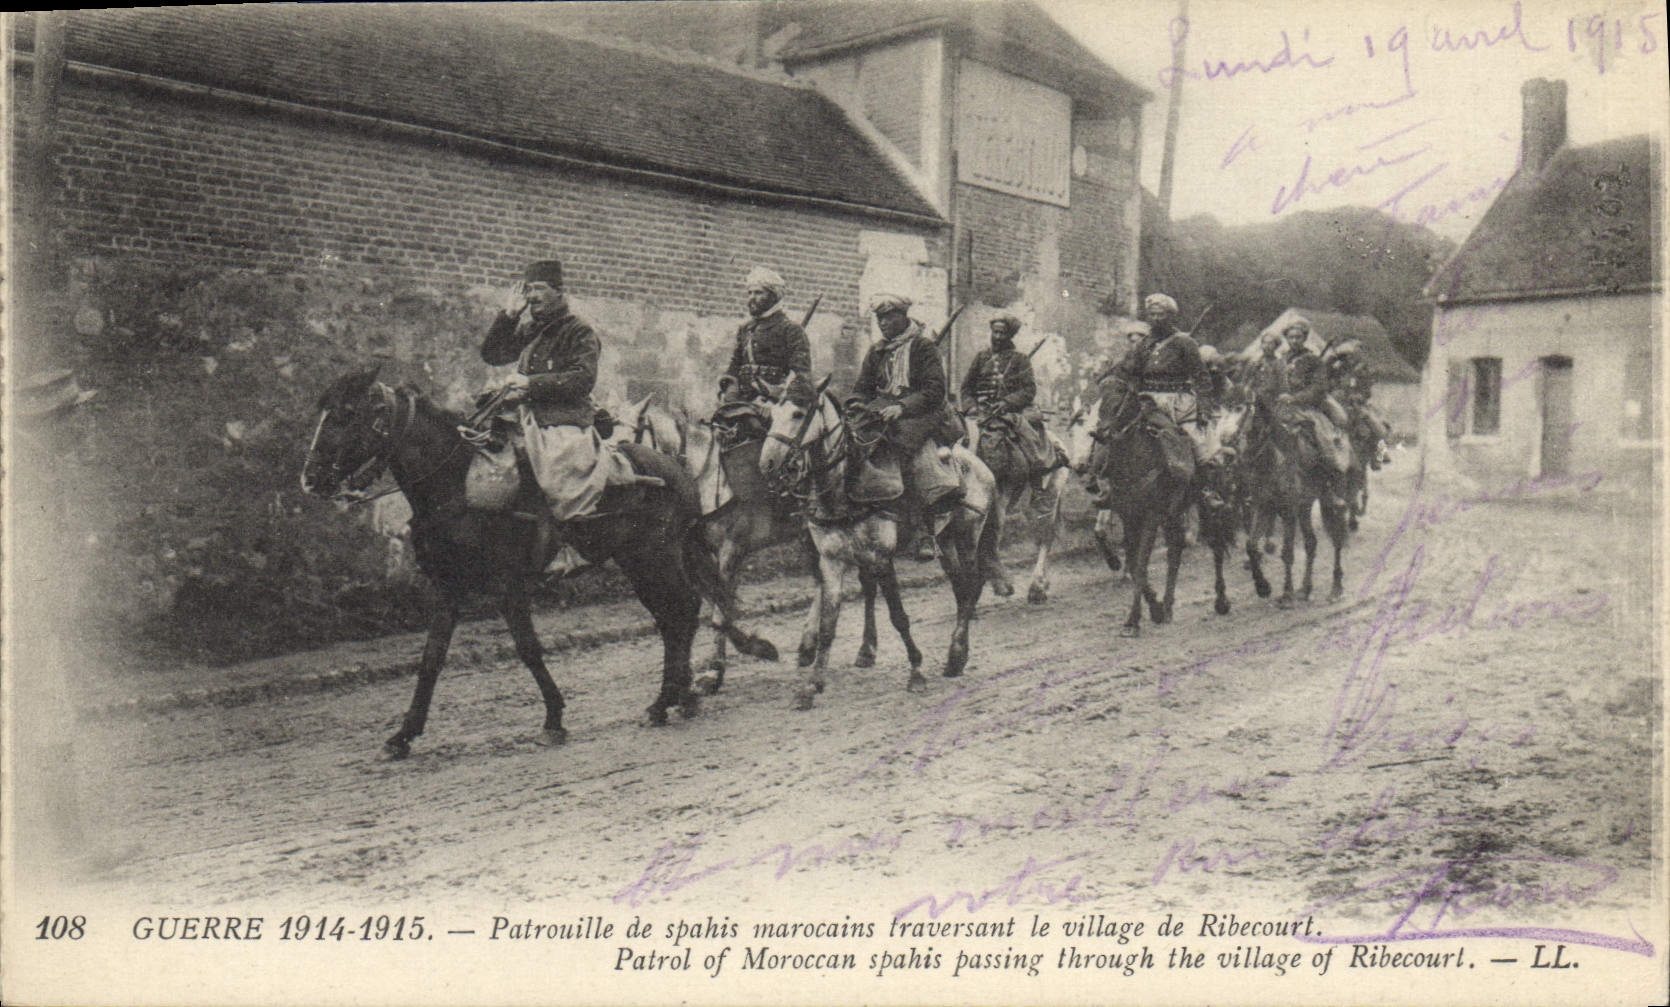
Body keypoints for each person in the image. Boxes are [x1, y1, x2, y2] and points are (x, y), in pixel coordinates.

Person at [480, 258, 643, 523]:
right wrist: (508, 316)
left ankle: (567, 536)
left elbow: (583, 379)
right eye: (528, 290)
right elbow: (493, 355)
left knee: (560, 479)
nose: (532, 296)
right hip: (525, 416)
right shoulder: (531, 329)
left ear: (559, 292)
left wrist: (531, 384)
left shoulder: (578, 331)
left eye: (539, 288)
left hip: (561, 420)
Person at [852, 293, 964, 536]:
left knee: (904, 450)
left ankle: (925, 526)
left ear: (903, 317)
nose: (882, 323)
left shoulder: (923, 347)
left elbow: (934, 390)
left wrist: (902, 407)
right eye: (879, 318)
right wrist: (856, 404)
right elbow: (862, 388)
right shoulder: (877, 351)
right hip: (883, 411)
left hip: (921, 414)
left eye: (888, 318)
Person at [1102, 292, 1225, 507]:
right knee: (1115, 433)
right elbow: (1129, 370)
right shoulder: (1145, 344)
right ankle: (1108, 485)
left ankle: (1206, 489)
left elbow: (1201, 377)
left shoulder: (1185, 343)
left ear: (1171, 317)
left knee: (1200, 445)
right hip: (1146, 400)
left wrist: (1204, 409)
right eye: (1152, 315)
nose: (1156, 319)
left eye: (1161, 315)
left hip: (1179, 403)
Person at [960, 313, 1055, 489]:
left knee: (1026, 445)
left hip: (1007, 413)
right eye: (995, 332)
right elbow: (966, 388)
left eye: (1002, 333)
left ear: (1010, 335)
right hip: (979, 412)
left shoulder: (1020, 360)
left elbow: (1028, 390)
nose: (997, 337)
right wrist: (970, 406)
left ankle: (1032, 483)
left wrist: (1007, 403)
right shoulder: (981, 357)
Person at [1278, 317, 1352, 503]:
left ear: (1304, 338)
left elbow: (1319, 389)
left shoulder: (1313, 361)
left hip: (1307, 409)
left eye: (1298, 337)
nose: (1294, 340)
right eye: (1291, 337)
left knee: (1325, 440)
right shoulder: (1280, 361)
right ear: (1286, 338)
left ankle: (1335, 484)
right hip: (1280, 408)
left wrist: (1295, 398)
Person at [719, 267, 812, 406]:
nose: (752, 298)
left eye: (758, 293)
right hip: (742, 401)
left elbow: (801, 375)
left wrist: (782, 399)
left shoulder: (791, 330)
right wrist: (731, 389)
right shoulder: (745, 329)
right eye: (749, 293)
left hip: (774, 404)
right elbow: (735, 365)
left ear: (774, 296)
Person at [1322, 334, 1392, 468]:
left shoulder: (1362, 369)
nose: (1349, 357)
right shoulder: (1336, 368)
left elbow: (1366, 390)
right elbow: (1323, 376)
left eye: (1352, 354)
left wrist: (1358, 396)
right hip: (1335, 401)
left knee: (1375, 424)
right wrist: (1331, 359)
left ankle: (1380, 454)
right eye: (1346, 355)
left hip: (1355, 403)